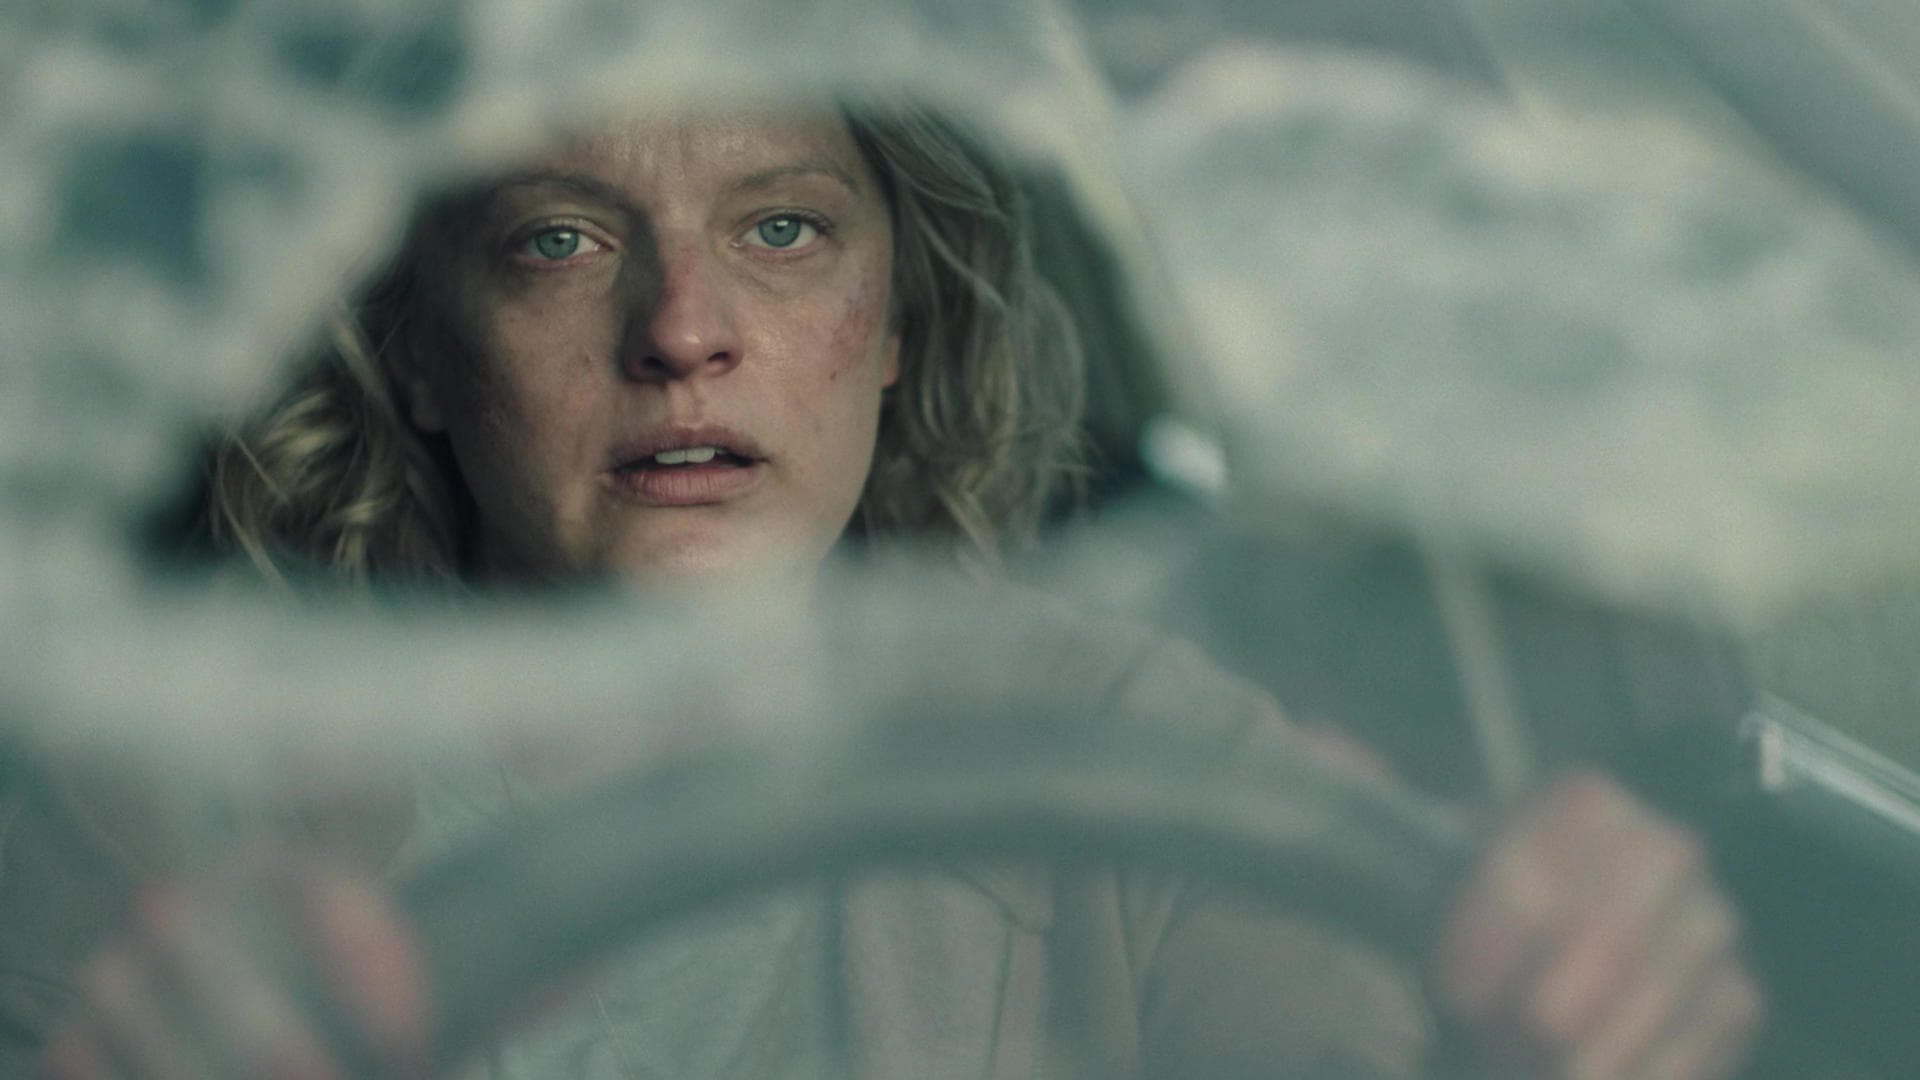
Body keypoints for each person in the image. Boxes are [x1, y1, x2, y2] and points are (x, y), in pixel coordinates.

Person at [20, 100, 1761, 1079]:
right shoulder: (145, 812)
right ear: (418, 352)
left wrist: (1540, 993)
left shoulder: (1134, 746)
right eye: (558, 240)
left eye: (783, 230)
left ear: (895, 332)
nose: (682, 330)